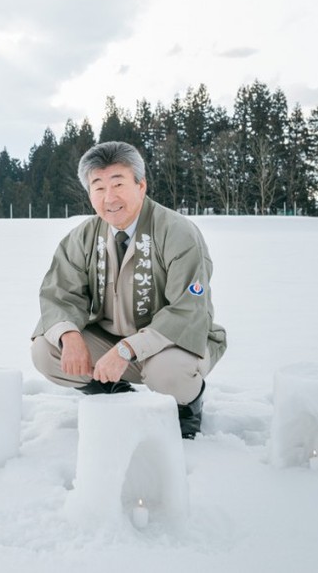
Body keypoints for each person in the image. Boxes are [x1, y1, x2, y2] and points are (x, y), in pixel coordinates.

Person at [30, 141, 226, 438]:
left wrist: (128, 349)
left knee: (168, 372)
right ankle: (113, 391)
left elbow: (188, 310)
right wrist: (69, 336)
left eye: (118, 184)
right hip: (110, 340)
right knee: (45, 349)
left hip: (169, 344)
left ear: (141, 185)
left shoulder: (177, 232)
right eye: (98, 187)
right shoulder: (82, 237)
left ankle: (188, 404)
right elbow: (59, 293)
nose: (109, 198)